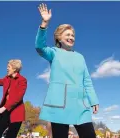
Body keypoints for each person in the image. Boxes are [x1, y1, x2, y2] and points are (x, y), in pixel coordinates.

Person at [35, 3, 99, 138]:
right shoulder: (53, 52)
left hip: (80, 103)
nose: (71, 37)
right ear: (59, 37)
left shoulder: (80, 57)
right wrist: (44, 24)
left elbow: (87, 80)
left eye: (73, 35)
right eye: (68, 34)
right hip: (59, 103)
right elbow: (39, 47)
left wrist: (93, 100)